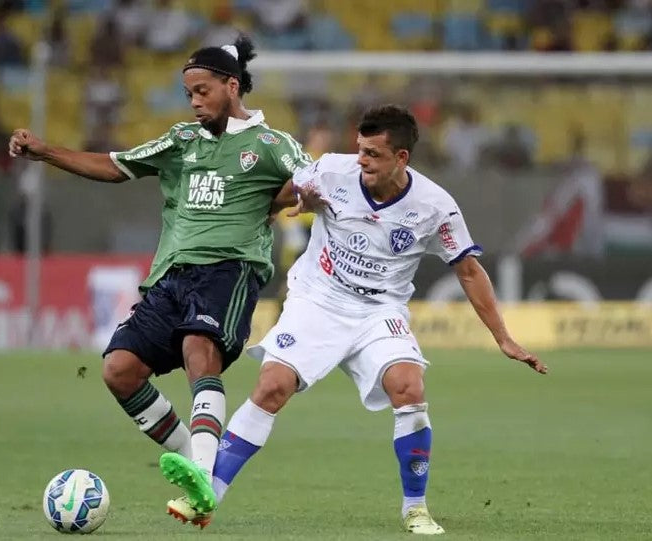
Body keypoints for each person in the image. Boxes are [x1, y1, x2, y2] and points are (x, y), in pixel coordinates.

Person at [167, 105, 548, 533]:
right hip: (318, 300)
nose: (362, 160)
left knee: (410, 387)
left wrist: (503, 338)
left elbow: (468, 270)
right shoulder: (329, 171)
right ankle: (207, 496)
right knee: (272, 386)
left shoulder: (435, 206)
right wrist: (296, 199)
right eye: (360, 150)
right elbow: (273, 197)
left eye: (373, 154)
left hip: (379, 312)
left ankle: (415, 508)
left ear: (402, 158)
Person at [7, 35, 310, 519]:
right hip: (169, 275)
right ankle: (198, 461)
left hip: (228, 271)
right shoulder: (181, 140)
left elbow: (313, 185)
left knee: (198, 351)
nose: (193, 101)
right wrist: (45, 152)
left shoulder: (272, 145)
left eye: (203, 90)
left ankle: (205, 484)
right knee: (119, 370)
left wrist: (273, 201)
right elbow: (115, 165)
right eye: (188, 92)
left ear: (232, 86)